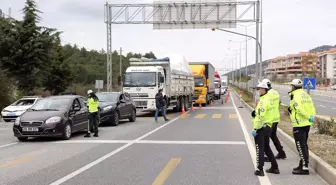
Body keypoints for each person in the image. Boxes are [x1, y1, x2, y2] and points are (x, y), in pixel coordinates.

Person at [287, 79, 316, 175]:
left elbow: (299, 109)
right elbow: (312, 108)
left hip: (299, 124)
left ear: (293, 87)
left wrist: (307, 116)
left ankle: (304, 168)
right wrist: (311, 117)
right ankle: (302, 164)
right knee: (304, 145)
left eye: (291, 86)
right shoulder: (306, 95)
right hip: (307, 124)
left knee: (300, 146)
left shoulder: (295, 96)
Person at [251, 81, 280, 176]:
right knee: (267, 148)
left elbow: (261, 116)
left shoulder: (263, 101)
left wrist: (255, 129)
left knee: (260, 148)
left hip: (261, 127)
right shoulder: (268, 99)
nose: (258, 90)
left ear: (264, 89)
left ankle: (260, 169)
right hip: (268, 126)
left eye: (259, 89)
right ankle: (275, 167)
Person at [262, 79, 287, 161]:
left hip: (270, 118)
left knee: (266, 137)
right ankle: (281, 152)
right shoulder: (275, 92)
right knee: (273, 136)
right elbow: (279, 102)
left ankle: (269, 156)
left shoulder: (267, 94)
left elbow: (265, 105)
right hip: (276, 117)